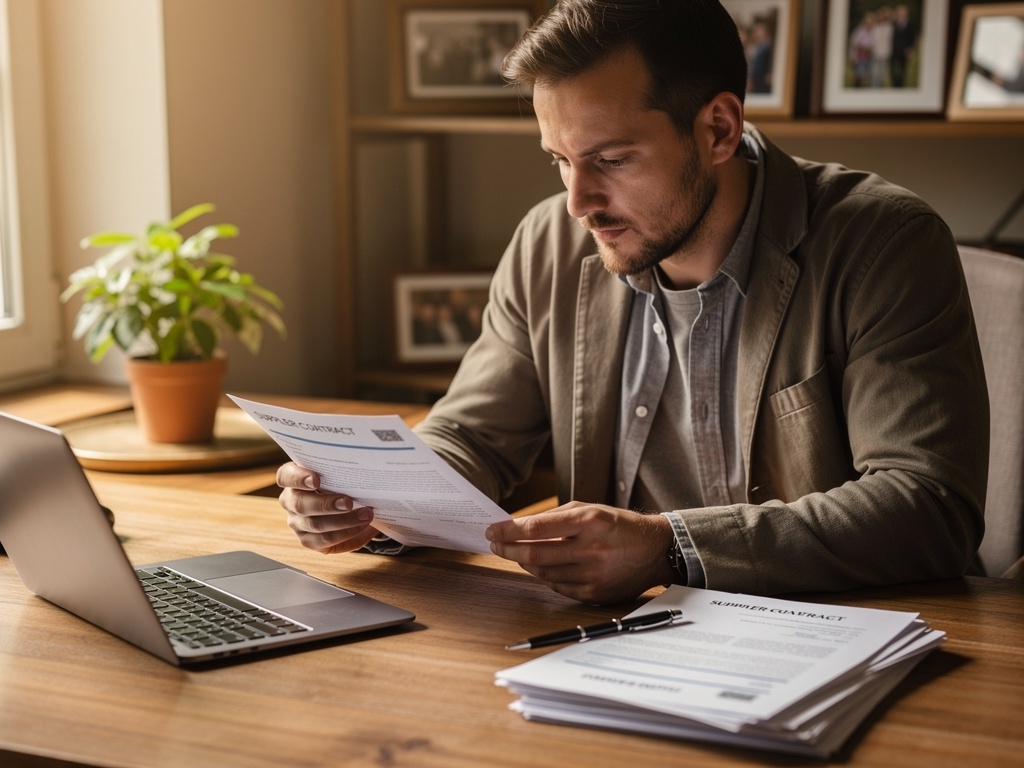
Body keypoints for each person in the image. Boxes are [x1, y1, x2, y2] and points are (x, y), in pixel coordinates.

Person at [278, 0, 988, 605]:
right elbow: (473, 439)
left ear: (717, 129)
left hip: (832, 640)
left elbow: (927, 507)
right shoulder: (548, 243)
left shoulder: (883, 241)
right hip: (608, 646)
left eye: (612, 160)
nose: (578, 202)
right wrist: (367, 499)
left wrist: (668, 549)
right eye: (559, 159)